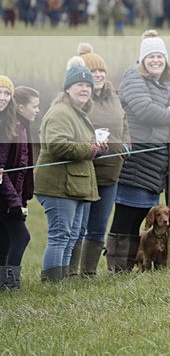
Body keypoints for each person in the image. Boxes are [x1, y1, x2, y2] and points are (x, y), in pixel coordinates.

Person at [107, 30, 170, 272]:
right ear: (142, 60)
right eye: (151, 56)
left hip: (153, 165)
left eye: (160, 56)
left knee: (137, 219)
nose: (156, 60)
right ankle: (117, 269)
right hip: (137, 160)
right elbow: (145, 110)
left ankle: (129, 267)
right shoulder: (134, 78)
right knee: (124, 219)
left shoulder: (163, 83)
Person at [34, 58, 104, 282]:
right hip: (58, 186)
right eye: (79, 85)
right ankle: (52, 282)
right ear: (67, 88)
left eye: (88, 86)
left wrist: (96, 149)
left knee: (72, 235)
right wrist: (91, 150)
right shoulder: (60, 112)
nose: (84, 89)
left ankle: (62, 280)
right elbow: (57, 145)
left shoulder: (77, 112)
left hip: (74, 185)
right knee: (60, 235)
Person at [69, 44, 129, 277]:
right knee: (79, 226)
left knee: (98, 227)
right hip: (87, 170)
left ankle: (89, 273)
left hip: (112, 171)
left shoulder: (114, 97)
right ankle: (71, 273)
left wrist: (126, 143)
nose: (99, 75)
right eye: (93, 72)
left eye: (101, 70)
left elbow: (125, 124)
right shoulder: (80, 100)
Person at [0, 80, 37, 290]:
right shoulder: (10, 128)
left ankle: (5, 286)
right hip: (7, 196)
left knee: (5, 239)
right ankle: (11, 286)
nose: (3, 97)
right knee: (22, 236)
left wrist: (19, 199)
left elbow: (15, 169)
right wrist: (15, 203)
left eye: (7, 93)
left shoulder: (11, 124)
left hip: (7, 195)